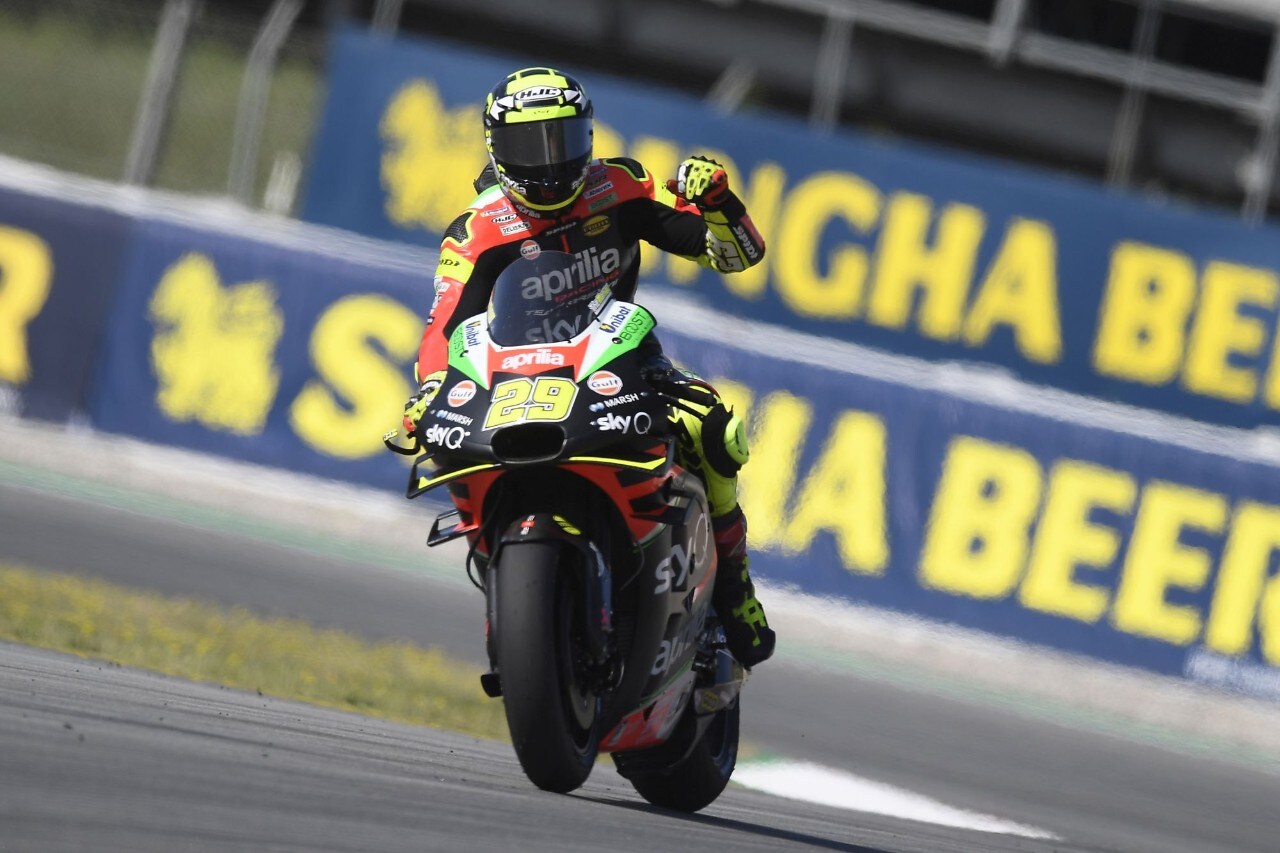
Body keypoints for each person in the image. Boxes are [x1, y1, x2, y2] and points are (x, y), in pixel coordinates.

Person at [403, 67, 775, 667]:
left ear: (589, 136)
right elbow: (443, 326)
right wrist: (429, 390)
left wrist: (719, 205)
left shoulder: (621, 186)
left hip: (615, 357)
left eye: (564, 139)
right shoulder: (476, 229)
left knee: (714, 431)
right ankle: (510, 591)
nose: (551, 163)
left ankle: (736, 590)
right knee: (451, 449)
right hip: (513, 375)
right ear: (497, 149)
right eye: (531, 146)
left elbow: (736, 257)